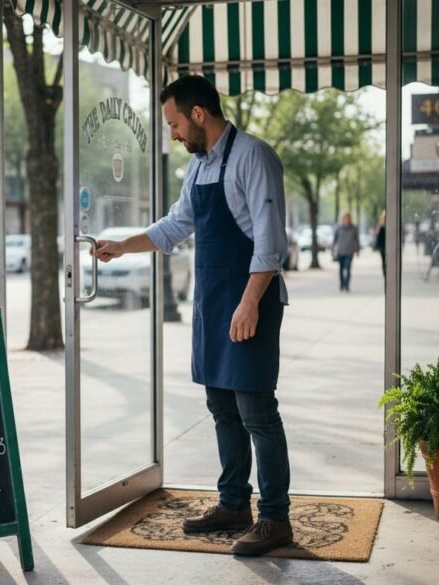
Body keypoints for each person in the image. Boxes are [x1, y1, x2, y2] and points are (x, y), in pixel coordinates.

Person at [94, 75, 292, 557]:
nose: (174, 134)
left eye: (175, 123)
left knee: (256, 413)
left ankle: (275, 518)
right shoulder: (199, 168)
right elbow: (177, 224)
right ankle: (232, 504)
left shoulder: (254, 156)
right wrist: (123, 246)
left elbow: (270, 243)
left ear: (198, 114)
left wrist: (248, 303)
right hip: (212, 302)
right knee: (221, 408)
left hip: (250, 301)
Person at [331, 212, 360, 292]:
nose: (346, 219)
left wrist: (357, 250)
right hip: (340, 251)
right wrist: (332, 250)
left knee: (348, 268)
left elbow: (356, 240)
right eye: (344, 217)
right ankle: (342, 283)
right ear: (342, 218)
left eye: (347, 217)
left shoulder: (354, 228)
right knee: (341, 269)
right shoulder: (338, 228)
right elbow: (334, 240)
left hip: (350, 252)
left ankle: (347, 285)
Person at [374, 211, 387, 279]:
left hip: (389, 247)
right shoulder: (381, 227)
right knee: (384, 262)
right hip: (383, 247)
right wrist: (377, 247)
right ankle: (385, 274)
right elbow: (378, 238)